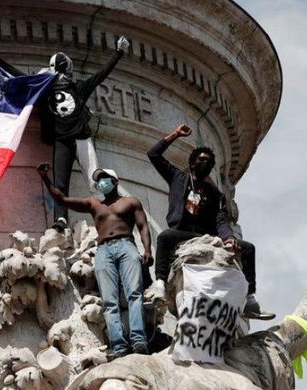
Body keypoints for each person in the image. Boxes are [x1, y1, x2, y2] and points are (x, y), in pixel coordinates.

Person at [145, 124, 275, 320]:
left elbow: (221, 220)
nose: (203, 162)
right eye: (200, 159)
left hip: (206, 234)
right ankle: (160, 284)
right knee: (164, 237)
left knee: (248, 249)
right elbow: (153, 154)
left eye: (207, 160)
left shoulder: (216, 194)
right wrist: (175, 135)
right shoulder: (178, 177)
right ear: (192, 162)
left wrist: (230, 237)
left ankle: (249, 298)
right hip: (183, 230)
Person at [37, 163, 152, 358]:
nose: (101, 183)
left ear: (115, 181)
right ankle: (118, 346)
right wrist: (46, 178)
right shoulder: (94, 204)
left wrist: (147, 249)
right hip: (103, 250)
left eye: (104, 178)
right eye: (98, 180)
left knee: (134, 293)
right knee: (109, 300)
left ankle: (139, 340)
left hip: (126, 245)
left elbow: (143, 225)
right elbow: (62, 199)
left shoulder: (131, 201)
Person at [40, 36, 130, 232]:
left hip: (76, 139)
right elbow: (101, 75)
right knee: (72, 180)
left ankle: (107, 212)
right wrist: (119, 53)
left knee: (89, 178)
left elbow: (100, 75)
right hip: (70, 139)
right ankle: (63, 219)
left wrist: (118, 53)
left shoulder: (62, 89)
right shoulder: (61, 89)